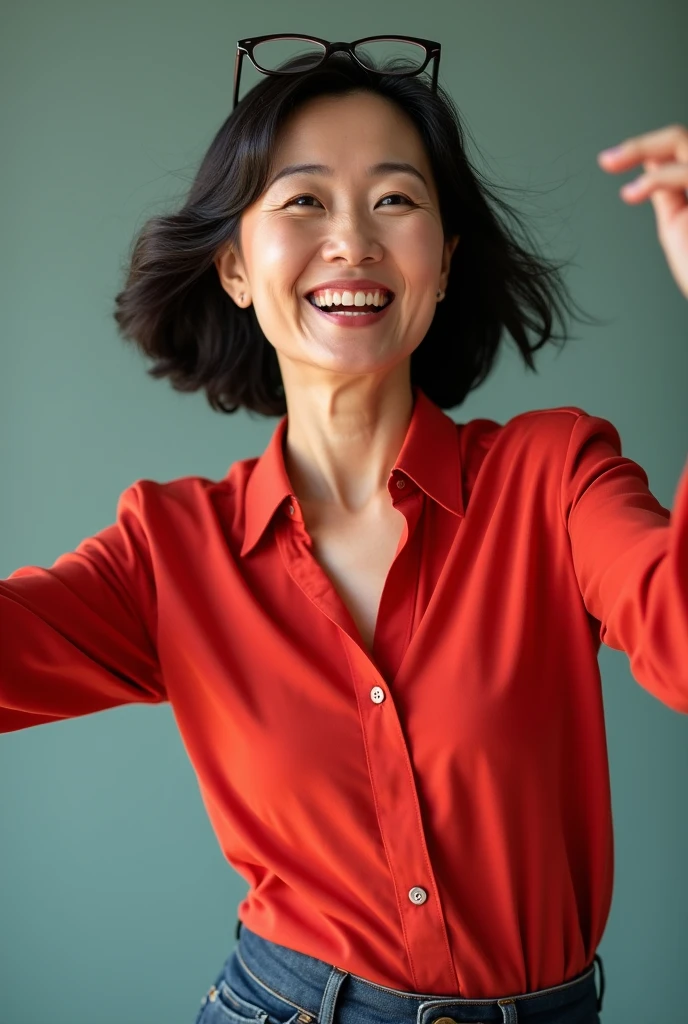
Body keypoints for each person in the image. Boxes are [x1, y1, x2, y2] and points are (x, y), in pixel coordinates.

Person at [2, 33, 687, 1024]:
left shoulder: (554, 476)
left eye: (395, 199)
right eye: (304, 199)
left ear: (444, 262)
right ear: (235, 267)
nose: (353, 240)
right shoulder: (171, 548)